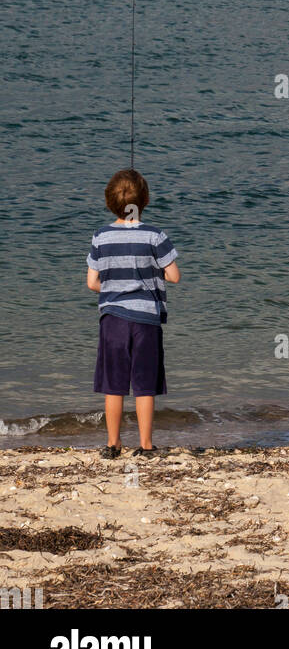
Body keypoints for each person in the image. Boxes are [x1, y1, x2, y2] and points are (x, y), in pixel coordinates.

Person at [86, 169, 179, 458]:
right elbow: (174, 276)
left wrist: (115, 288)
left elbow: (92, 283)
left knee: (113, 385)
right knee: (144, 384)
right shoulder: (154, 235)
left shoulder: (101, 236)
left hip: (112, 318)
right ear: (146, 200)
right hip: (146, 320)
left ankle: (113, 444)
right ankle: (146, 446)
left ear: (108, 202)